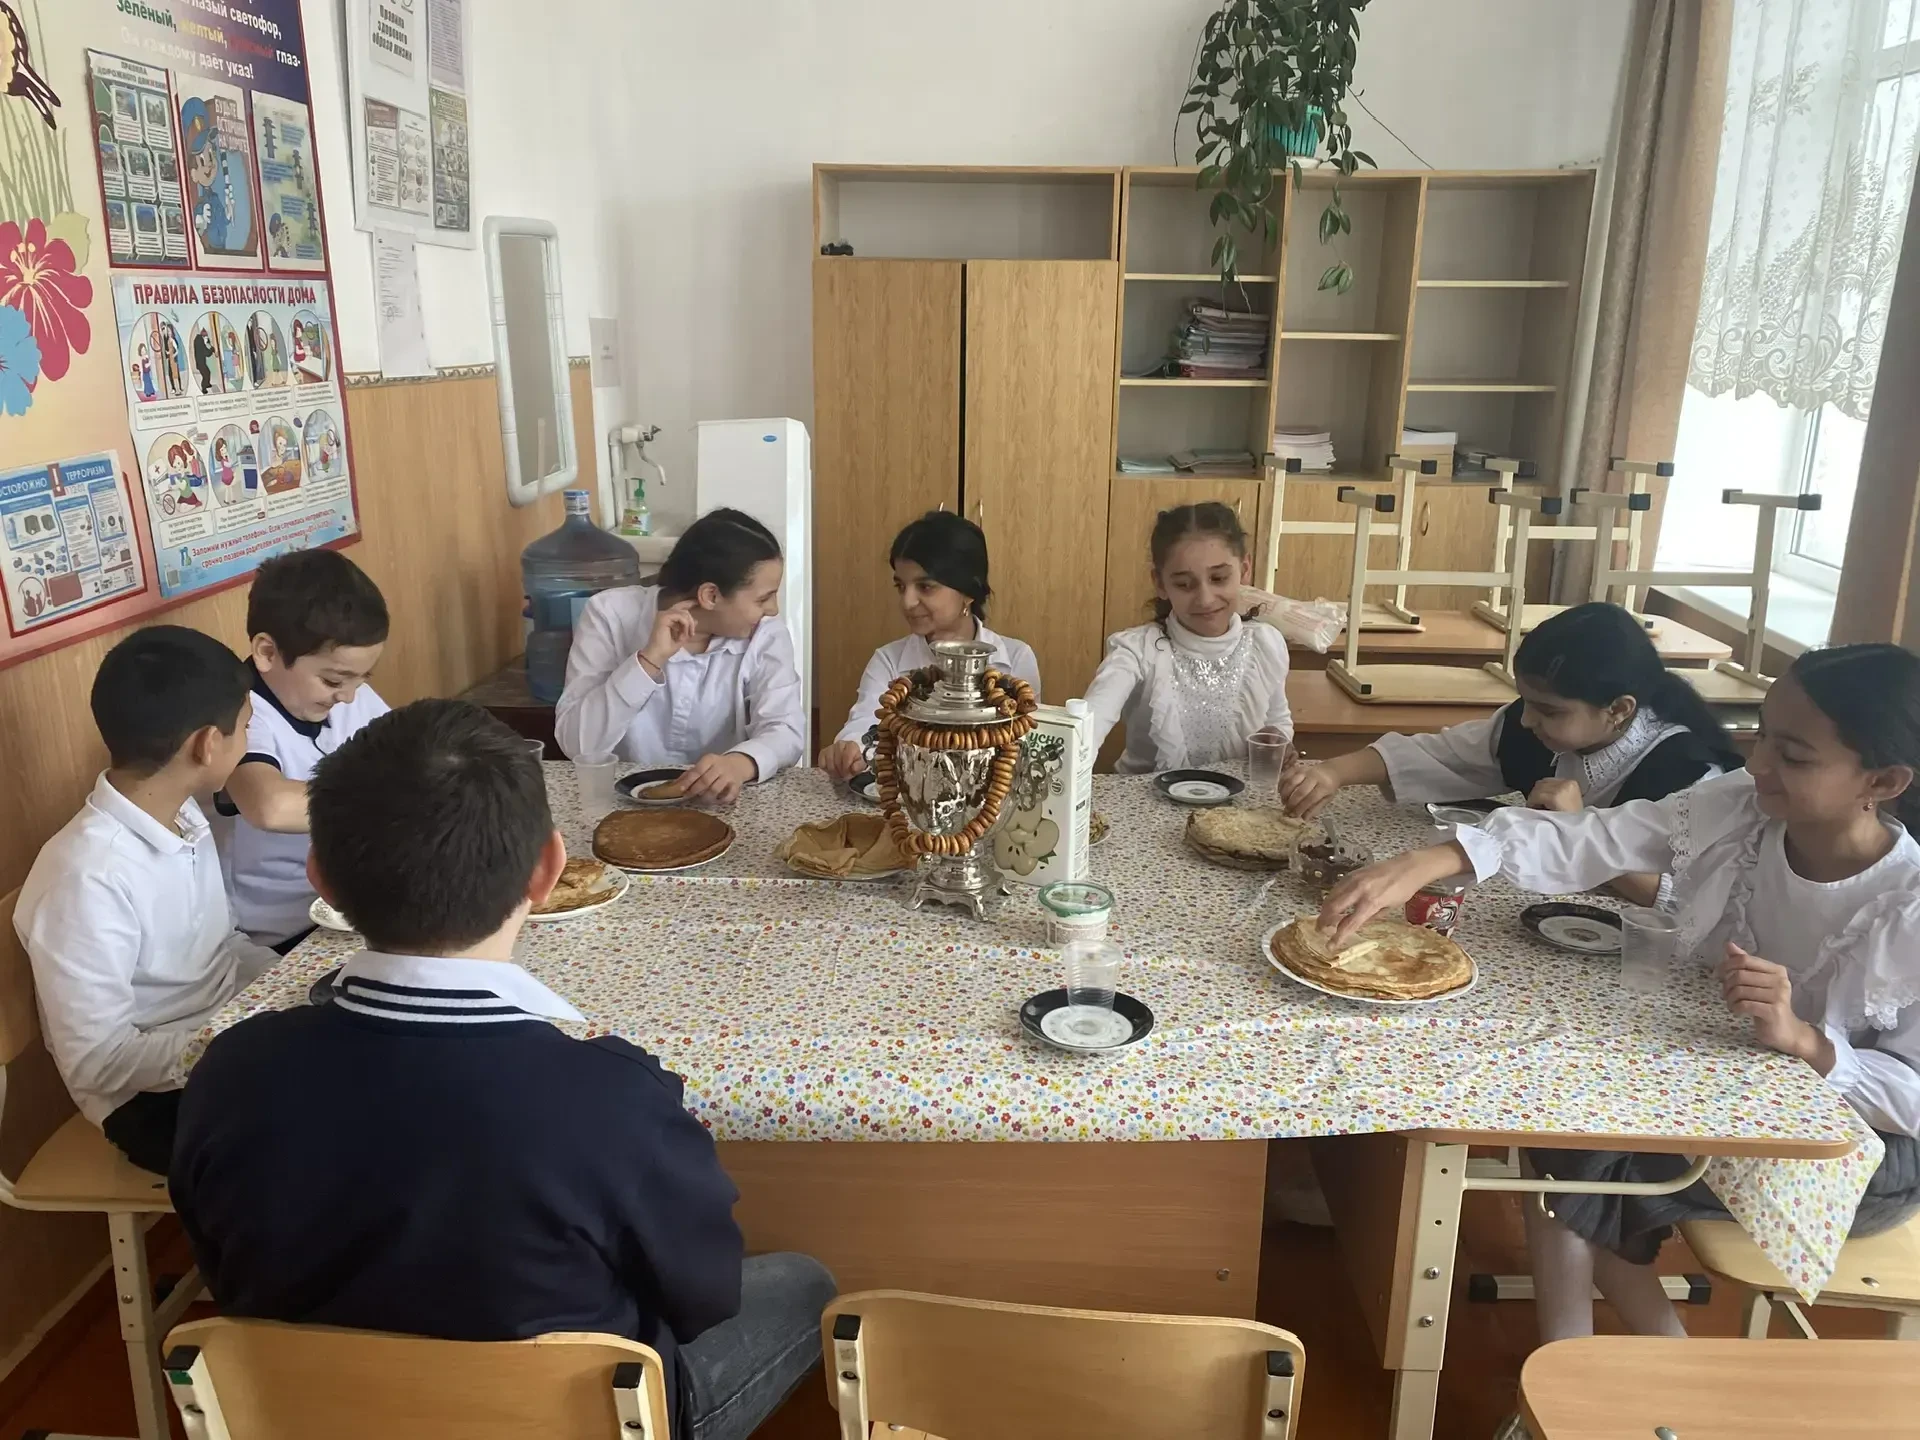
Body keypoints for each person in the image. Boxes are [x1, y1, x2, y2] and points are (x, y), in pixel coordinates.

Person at [172, 700, 836, 1440]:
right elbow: (705, 1297)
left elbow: (224, 1272)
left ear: (319, 877)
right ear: (549, 869)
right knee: (806, 1283)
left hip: (315, 1417)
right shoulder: (614, 1099)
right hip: (578, 1421)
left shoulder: (228, 1071)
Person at [1318, 642, 1920, 1351]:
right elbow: (1597, 838)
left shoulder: (1906, 910)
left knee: (1582, 1161)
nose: (1757, 764)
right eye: (1761, 735)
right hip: (1741, 1081)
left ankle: (1611, 1365)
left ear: (1882, 781)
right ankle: (1605, 1361)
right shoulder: (1743, 808)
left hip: (1859, 1152)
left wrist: (1806, 1041)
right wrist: (1439, 856)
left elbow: (1911, 1102)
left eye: (1792, 755)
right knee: (1563, 1127)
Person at [13, 627, 277, 1175]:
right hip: (147, 1097)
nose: (248, 741)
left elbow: (224, 946)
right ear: (207, 744)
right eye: (247, 727)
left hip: (221, 1039)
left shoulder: (184, 814)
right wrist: (241, 1038)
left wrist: (291, 987)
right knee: (334, 1136)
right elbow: (103, 1062)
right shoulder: (85, 877)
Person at [1281, 602, 1742, 905]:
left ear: (1619, 710)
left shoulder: (1690, 775)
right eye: (1526, 701)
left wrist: (1574, 828)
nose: (1526, 721)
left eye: (1548, 710)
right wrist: (1335, 771)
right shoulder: (1533, 727)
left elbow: (1689, 901)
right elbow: (1442, 756)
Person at [557, 507, 804, 802]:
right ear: (710, 596)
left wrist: (740, 763)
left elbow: (786, 729)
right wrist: (648, 661)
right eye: (763, 599)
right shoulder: (609, 615)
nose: (773, 609)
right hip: (618, 804)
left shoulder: (766, 633)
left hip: (722, 806)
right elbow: (577, 746)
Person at [213, 549, 389, 951]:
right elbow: (270, 806)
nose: (348, 696)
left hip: (352, 909)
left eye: (362, 678)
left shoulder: (348, 692)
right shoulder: (237, 713)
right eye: (333, 681)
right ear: (267, 653)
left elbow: (414, 754)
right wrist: (396, 799)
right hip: (276, 935)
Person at [818, 510, 1041, 779]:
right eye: (901, 586)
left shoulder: (1015, 660)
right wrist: (849, 749)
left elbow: (1027, 746)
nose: (907, 602)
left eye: (925, 587)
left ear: (968, 592)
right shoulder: (889, 661)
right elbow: (865, 724)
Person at [1081, 501, 1292, 773]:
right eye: (1184, 584)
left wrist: (1277, 737)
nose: (1205, 599)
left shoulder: (1266, 644)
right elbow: (1089, 725)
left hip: (1239, 796)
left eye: (1218, 578)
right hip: (1147, 796)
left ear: (1244, 569)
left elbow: (1279, 718)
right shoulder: (1137, 651)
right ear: (1160, 583)